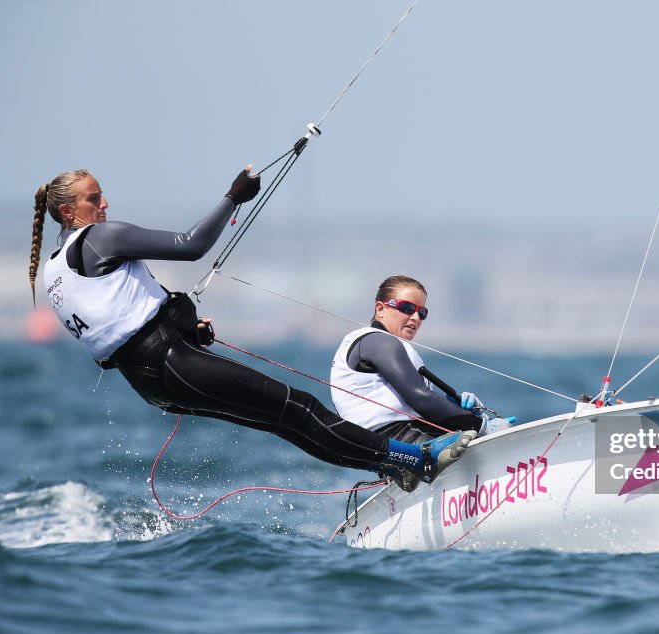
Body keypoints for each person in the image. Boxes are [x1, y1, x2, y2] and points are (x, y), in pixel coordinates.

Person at [30, 168, 473, 492]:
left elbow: (116, 321)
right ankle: (418, 457)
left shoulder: (53, 270)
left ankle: (400, 465)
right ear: (68, 212)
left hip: (149, 379)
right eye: (94, 199)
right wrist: (233, 197)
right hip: (171, 361)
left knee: (287, 421)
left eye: (103, 195)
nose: (104, 205)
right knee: (298, 408)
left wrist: (183, 329)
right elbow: (192, 245)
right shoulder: (99, 239)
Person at [331, 275, 514, 443]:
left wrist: (460, 410)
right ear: (380, 309)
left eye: (422, 312)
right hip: (400, 438)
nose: (416, 317)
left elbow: (414, 403)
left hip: (401, 442)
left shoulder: (382, 344)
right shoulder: (378, 341)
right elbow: (421, 399)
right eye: (407, 308)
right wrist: (483, 426)